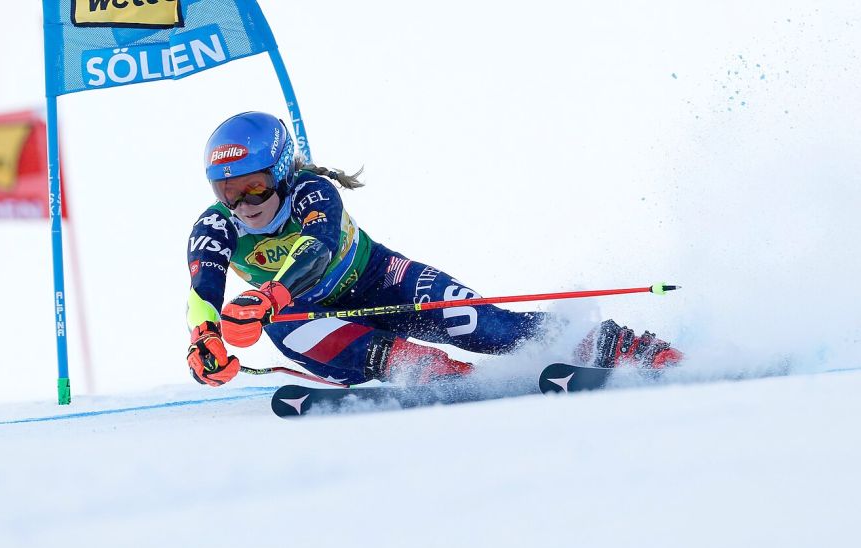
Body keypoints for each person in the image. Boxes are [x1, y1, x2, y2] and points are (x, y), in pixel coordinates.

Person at [185, 112, 682, 387]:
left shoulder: (313, 191)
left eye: (254, 186)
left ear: (282, 172)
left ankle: (614, 345)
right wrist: (204, 340)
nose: (242, 203)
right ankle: (434, 372)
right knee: (282, 326)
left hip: (384, 279)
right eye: (226, 191)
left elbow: (317, 247)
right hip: (320, 321)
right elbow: (202, 290)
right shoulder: (215, 226)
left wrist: (269, 293)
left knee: (482, 325)